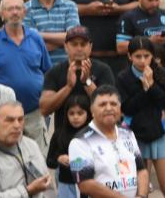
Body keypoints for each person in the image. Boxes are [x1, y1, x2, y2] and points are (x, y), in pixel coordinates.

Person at [0, 0, 52, 154]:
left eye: (18, 8)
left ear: (24, 12)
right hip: (5, 116)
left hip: (35, 113)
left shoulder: (36, 38)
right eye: (10, 9)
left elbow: (48, 71)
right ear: (1, 14)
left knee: (38, 160)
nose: (15, 12)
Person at [39, 25, 114, 160]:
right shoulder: (55, 72)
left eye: (83, 44)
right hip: (65, 147)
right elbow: (44, 108)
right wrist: (68, 87)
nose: (79, 48)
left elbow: (110, 106)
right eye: (74, 44)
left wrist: (87, 82)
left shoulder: (103, 70)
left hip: (98, 144)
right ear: (66, 46)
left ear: (90, 46)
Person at [116, 37, 165, 198]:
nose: (143, 60)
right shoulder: (124, 77)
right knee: (140, 190)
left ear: (152, 56)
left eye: (147, 56)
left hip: (159, 133)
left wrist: (151, 86)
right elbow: (126, 108)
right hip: (134, 136)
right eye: (138, 56)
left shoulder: (159, 73)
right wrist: (144, 90)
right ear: (130, 56)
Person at [68, 85, 149, 198]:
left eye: (113, 104)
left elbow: (141, 170)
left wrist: (142, 196)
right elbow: (85, 184)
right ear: (92, 110)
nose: (109, 108)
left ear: (120, 109)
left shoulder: (128, 133)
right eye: (102, 104)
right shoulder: (80, 142)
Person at [0, 100, 54, 198]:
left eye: (20, 119)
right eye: (10, 120)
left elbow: (47, 185)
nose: (17, 125)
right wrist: (27, 191)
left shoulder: (30, 145)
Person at [25, 0, 81, 65]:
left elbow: (74, 38)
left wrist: (39, 35)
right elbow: (29, 43)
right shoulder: (25, 9)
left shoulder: (70, 5)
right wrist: (63, 41)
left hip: (66, 67)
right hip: (37, 67)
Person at [117, 0, 165, 67]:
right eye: (150, 0)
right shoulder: (128, 17)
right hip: (140, 67)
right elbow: (120, 47)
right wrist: (149, 41)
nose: (154, 4)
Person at [46, 93, 89, 198]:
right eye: (71, 113)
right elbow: (49, 161)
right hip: (66, 183)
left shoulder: (92, 134)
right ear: (66, 114)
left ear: (88, 113)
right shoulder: (59, 134)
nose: (75, 117)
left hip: (90, 183)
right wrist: (59, 158)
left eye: (80, 113)